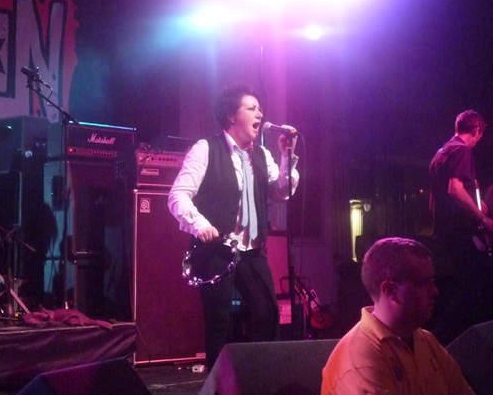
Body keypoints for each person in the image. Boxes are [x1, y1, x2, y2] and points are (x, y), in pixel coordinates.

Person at [168, 83, 299, 370]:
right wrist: (200, 224)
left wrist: (287, 155)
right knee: (220, 321)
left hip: (251, 250)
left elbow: (282, 190)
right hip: (217, 249)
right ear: (231, 116)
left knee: (267, 312)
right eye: (251, 108)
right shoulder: (206, 149)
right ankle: (219, 383)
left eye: (260, 109)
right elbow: (178, 195)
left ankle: (263, 377)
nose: (260, 114)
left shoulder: (262, 155)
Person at [321, 237, 475, 395]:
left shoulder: (426, 340)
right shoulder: (360, 358)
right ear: (389, 290)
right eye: (423, 283)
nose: (435, 291)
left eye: (433, 281)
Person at [428, 109, 493, 345]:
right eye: (479, 136)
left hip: (444, 231)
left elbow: (443, 194)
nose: (478, 141)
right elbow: (454, 189)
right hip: (459, 231)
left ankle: (443, 340)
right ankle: (445, 341)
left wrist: (475, 203)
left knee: (464, 287)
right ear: (476, 131)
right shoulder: (462, 150)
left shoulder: (442, 152)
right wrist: (482, 218)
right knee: (477, 285)